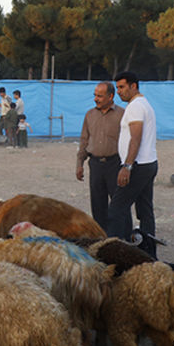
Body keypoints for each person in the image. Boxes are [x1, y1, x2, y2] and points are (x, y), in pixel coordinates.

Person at [111, 73, 159, 257]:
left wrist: (127, 166)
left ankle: (115, 256)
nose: (119, 92)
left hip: (138, 166)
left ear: (134, 86)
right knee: (145, 211)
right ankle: (148, 254)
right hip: (148, 163)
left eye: (122, 87)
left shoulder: (136, 107)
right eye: (117, 88)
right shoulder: (144, 104)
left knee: (116, 209)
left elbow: (135, 138)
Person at [76, 81, 124, 234]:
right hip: (95, 164)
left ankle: (120, 236)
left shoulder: (122, 115)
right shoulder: (90, 115)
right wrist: (79, 163)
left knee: (118, 204)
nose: (96, 99)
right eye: (95, 95)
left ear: (111, 96)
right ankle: (101, 236)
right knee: (97, 204)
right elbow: (84, 140)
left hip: (115, 164)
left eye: (100, 96)